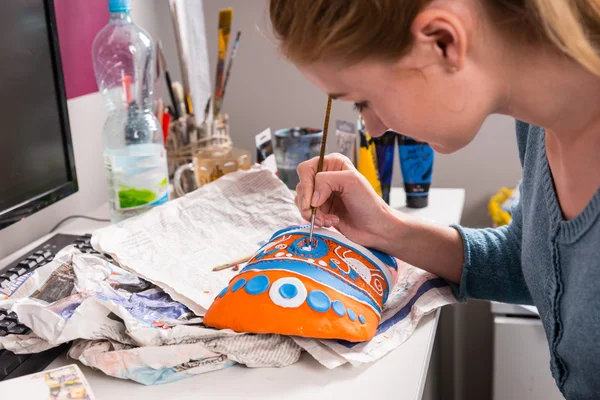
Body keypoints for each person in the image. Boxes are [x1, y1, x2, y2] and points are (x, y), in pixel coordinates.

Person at [268, 0, 600, 398]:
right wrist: (388, 230)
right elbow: (541, 267)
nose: (372, 128)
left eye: (364, 101)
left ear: (442, 42)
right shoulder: (539, 120)